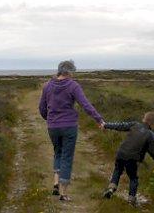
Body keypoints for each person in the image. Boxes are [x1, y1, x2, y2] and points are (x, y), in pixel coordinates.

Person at [39, 60, 105, 201]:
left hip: (53, 127)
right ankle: (63, 193)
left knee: (58, 153)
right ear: (69, 72)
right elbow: (86, 105)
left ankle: (56, 183)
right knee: (67, 158)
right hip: (69, 126)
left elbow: (42, 108)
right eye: (73, 72)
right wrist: (99, 119)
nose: (73, 75)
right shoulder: (73, 86)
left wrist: (49, 119)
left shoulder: (47, 86)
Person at [102, 111, 154, 207]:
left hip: (121, 153)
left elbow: (120, 126)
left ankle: (111, 189)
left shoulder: (134, 124)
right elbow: (152, 151)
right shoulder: (150, 135)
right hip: (133, 159)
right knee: (133, 178)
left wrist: (106, 125)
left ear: (144, 119)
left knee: (117, 170)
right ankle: (131, 199)